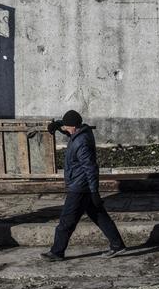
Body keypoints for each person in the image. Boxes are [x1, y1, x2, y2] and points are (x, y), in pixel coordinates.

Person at [41, 109, 126, 261]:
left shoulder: (81, 143)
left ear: (73, 127)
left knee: (66, 221)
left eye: (67, 127)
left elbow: (91, 168)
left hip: (80, 188)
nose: (65, 129)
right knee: (100, 217)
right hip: (82, 185)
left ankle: (56, 252)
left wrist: (94, 192)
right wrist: (58, 125)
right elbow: (67, 130)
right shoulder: (81, 132)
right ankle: (117, 245)